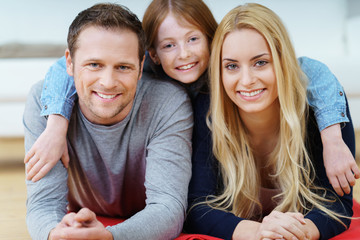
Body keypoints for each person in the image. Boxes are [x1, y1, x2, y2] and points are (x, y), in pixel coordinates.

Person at [25, 0, 357, 194]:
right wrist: (56, 127)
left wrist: (332, 139)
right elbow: (61, 67)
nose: (183, 55)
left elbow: (310, 70)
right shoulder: (145, 71)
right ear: (152, 55)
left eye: (193, 39)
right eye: (169, 45)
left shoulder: (231, 66)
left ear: (211, 37)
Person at [185, 3, 355, 240]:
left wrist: (294, 233)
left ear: (282, 61)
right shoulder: (208, 109)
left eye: (260, 62)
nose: (247, 80)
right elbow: (196, 206)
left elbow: (339, 204)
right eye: (232, 66)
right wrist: (259, 232)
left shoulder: (325, 111)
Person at [24, 3, 193, 240]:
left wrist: (108, 237)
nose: (108, 82)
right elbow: (43, 203)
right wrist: (56, 234)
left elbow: (169, 207)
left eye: (123, 67)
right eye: (94, 64)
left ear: (141, 66)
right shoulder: (42, 102)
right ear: (69, 63)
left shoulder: (168, 103)